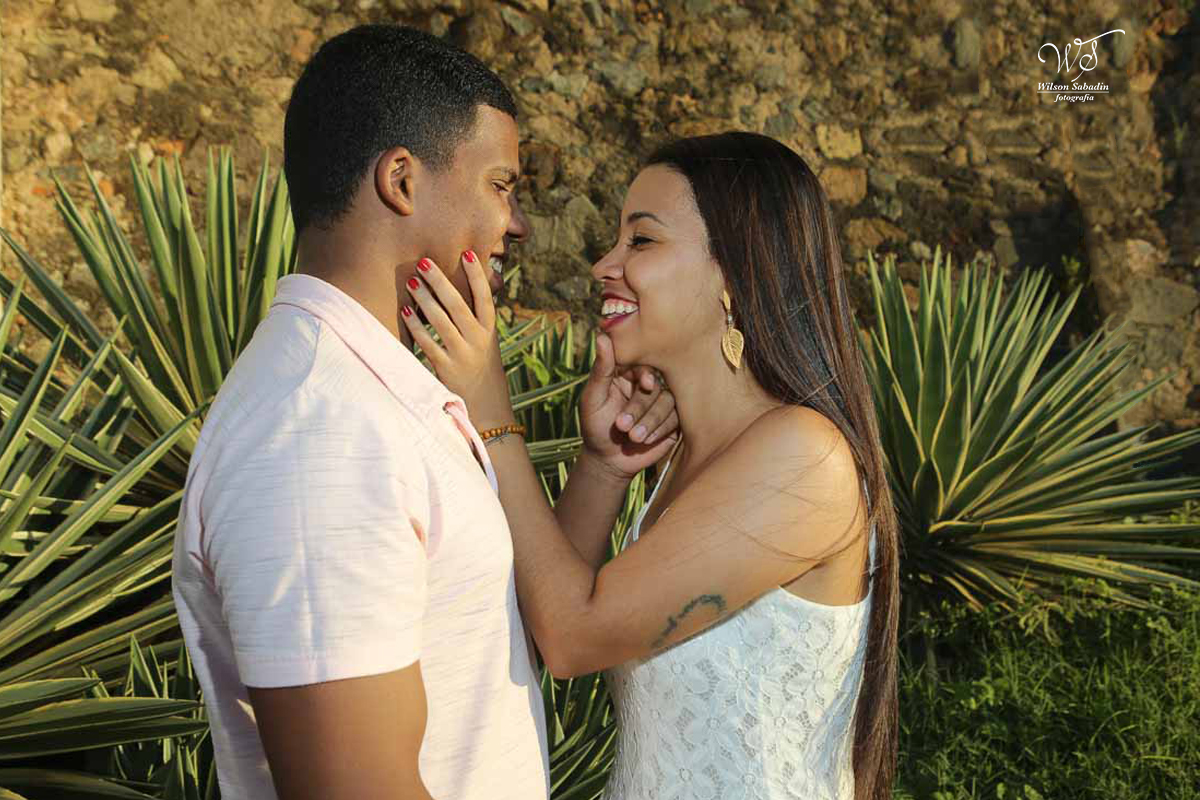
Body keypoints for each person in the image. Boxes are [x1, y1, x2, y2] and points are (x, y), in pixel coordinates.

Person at [171, 24, 673, 800]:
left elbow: (489, 637)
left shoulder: (370, 394)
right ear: (401, 180)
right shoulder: (318, 434)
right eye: (501, 185)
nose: (519, 224)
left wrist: (602, 467)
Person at [403, 131, 900, 800]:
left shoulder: (803, 459)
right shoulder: (690, 461)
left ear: (732, 272)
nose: (604, 265)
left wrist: (492, 413)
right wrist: (604, 470)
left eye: (641, 241)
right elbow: (542, 626)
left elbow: (574, 636)